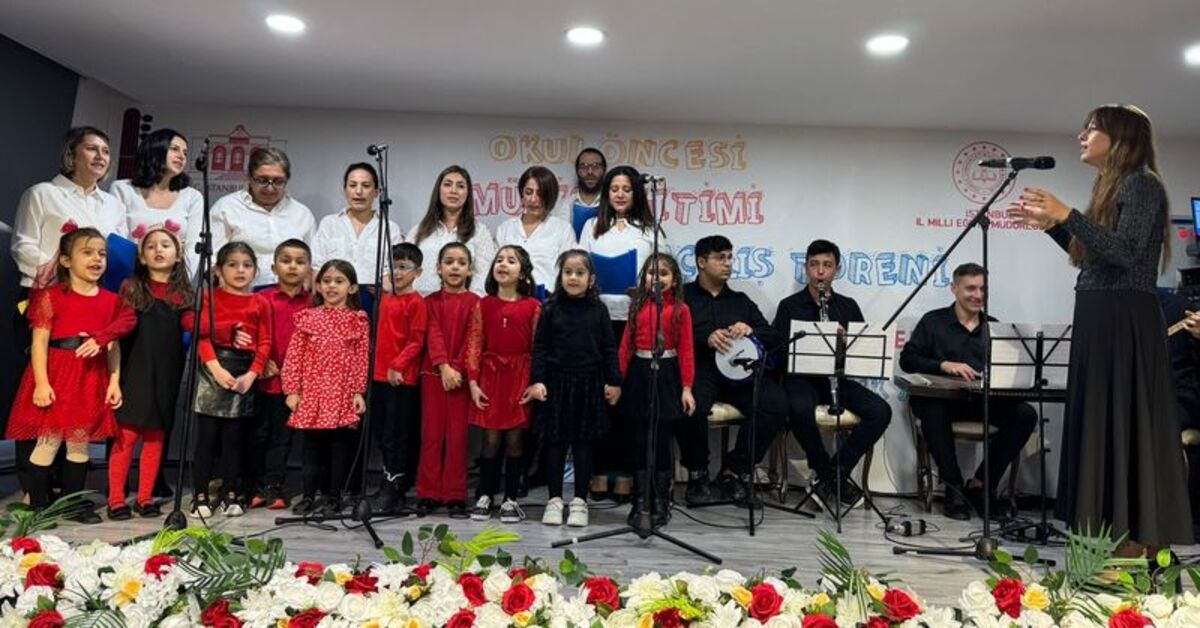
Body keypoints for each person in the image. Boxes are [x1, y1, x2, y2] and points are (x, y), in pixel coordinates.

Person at [1009, 103, 1193, 553]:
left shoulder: (1141, 183)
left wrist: (1067, 214)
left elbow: (1126, 253)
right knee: (1102, 425)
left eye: (1092, 128)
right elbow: (1093, 256)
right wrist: (1053, 226)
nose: (1082, 135)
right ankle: (1110, 540)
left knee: (1122, 425)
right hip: (1101, 313)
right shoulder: (1111, 187)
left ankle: (1134, 544)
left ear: (1121, 137)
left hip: (1123, 317)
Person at [9, 126, 128, 501]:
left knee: (81, 400)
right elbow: (22, 243)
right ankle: (33, 490)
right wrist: (53, 269)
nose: (100, 156)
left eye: (105, 151)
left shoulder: (112, 205)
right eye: (91, 149)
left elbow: (117, 252)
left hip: (91, 306)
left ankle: (68, 491)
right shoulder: (43, 193)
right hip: (46, 300)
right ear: (71, 154)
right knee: (41, 397)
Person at [7, 227, 134, 523]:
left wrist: (114, 381)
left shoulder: (110, 300)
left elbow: (112, 346)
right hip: (58, 375)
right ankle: (38, 505)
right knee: (49, 441)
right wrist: (41, 383)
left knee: (79, 443)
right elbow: (39, 343)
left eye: (101, 254)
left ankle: (72, 503)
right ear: (66, 260)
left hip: (89, 379)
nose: (97, 259)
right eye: (87, 253)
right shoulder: (51, 297)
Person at [898, 262, 1038, 521]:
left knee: (1025, 414)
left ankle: (981, 485)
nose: (978, 295)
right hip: (941, 401)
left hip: (979, 401)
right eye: (970, 288)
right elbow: (908, 360)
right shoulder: (933, 321)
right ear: (954, 289)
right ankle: (953, 488)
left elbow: (1007, 370)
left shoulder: (994, 327)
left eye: (982, 289)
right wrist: (944, 365)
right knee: (932, 411)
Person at [772, 239, 891, 509]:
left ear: (837, 269)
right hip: (801, 379)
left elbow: (863, 352)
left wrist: (846, 342)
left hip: (837, 378)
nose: (820, 271)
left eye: (827, 265)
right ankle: (826, 473)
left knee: (881, 411)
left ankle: (836, 473)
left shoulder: (848, 306)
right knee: (798, 407)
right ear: (806, 268)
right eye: (814, 265)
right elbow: (777, 350)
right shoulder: (789, 305)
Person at [579, 165, 665, 502]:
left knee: (630, 400)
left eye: (626, 189)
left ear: (637, 193)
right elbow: (578, 266)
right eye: (614, 188)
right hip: (598, 321)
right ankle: (600, 470)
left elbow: (665, 271)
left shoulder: (650, 230)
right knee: (600, 399)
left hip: (635, 320)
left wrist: (644, 289)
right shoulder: (591, 227)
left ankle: (627, 473)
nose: (619, 194)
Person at [680, 235, 788, 506]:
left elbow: (772, 336)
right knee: (690, 405)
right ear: (701, 262)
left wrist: (750, 330)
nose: (728, 263)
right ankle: (697, 474)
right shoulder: (683, 297)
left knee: (775, 404)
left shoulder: (741, 301)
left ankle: (734, 472)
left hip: (740, 373)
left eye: (730, 257)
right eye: (720, 258)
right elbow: (668, 335)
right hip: (701, 369)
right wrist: (705, 338)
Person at [525, 250, 622, 527]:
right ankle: (554, 500)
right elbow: (540, 348)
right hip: (556, 383)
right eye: (568, 272)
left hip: (589, 383)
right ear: (560, 276)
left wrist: (614, 381)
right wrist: (537, 380)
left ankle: (580, 501)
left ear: (591, 279)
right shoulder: (550, 308)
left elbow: (609, 347)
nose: (573, 277)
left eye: (580, 273)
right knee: (555, 443)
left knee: (583, 444)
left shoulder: (599, 310)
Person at [108, 225, 193, 520]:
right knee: (126, 437)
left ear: (178, 255)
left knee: (156, 438)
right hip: (135, 369)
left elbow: (193, 325)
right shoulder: (132, 287)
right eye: (151, 246)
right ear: (142, 257)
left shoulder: (184, 294)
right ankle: (116, 499)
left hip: (166, 372)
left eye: (165, 245)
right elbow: (121, 326)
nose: (158, 250)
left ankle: (145, 497)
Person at [184, 241, 272, 518]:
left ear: (255, 271)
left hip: (244, 373)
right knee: (207, 439)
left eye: (247, 265)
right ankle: (200, 494)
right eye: (233, 265)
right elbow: (202, 337)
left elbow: (265, 341)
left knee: (235, 439)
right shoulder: (209, 298)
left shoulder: (260, 302)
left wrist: (252, 375)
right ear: (219, 271)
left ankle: (230, 492)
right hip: (213, 369)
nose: (240, 270)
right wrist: (217, 370)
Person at [282, 260, 370, 517]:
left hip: (342, 391)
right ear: (318, 286)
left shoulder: (357, 320)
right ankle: (309, 495)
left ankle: (334, 496)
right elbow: (294, 355)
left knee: (339, 446)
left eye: (339, 281)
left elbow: (361, 358)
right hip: (313, 391)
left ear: (352, 288)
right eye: (327, 281)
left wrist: (358, 391)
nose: (332, 286)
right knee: (311, 446)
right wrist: (292, 390)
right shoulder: (308, 317)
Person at [618, 253, 696, 527]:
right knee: (639, 438)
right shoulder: (636, 306)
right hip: (639, 374)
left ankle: (661, 499)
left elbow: (686, 350)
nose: (657, 278)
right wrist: (616, 381)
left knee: (661, 440)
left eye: (664, 273)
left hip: (667, 374)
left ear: (674, 280)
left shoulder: (681, 310)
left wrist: (687, 387)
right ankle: (641, 499)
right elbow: (626, 346)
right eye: (652, 273)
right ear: (644, 278)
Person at [466, 245, 541, 523]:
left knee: (514, 439)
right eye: (499, 260)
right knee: (490, 438)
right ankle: (485, 494)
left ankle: (510, 498)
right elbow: (474, 344)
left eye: (511, 261)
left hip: (520, 377)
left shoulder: (533, 307)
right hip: (491, 377)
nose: (503, 264)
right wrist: (473, 382)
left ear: (523, 273)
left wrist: (534, 381)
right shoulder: (483, 304)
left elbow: (538, 347)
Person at [415, 242, 481, 517]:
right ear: (438, 268)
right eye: (449, 262)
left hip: (461, 379)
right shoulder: (429, 302)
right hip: (434, 375)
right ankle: (428, 492)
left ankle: (455, 494)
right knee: (431, 435)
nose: (455, 267)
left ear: (470, 270)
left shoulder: (476, 303)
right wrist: (444, 367)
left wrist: (459, 370)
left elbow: (473, 340)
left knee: (457, 438)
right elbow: (432, 335)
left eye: (461, 263)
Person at [247, 239, 312, 510]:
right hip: (265, 378)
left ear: (309, 269)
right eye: (286, 261)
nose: (293, 266)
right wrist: (260, 362)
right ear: (274, 267)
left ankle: (275, 485)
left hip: (297, 384)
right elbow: (249, 333)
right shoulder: (262, 298)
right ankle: (254, 485)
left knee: (283, 437)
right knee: (259, 433)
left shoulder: (314, 302)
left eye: (300, 262)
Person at [369, 243, 427, 513]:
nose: (397, 272)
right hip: (378, 375)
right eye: (392, 266)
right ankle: (386, 479)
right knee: (381, 432)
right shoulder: (384, 299)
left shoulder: (417, 303)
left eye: (404, 267)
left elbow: (416, 341)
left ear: (418, 272)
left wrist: (398, 365)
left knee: (397, 434)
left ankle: (396, 485)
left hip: (401, 378)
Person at [210, 147, 316, 287]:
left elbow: (313, 263)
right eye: (262, 180)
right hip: (242, 292)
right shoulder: (226, 208)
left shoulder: (302, 214)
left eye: (278, 181)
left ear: (287, 180)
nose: (270, 188)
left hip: (290, 294)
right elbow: (212, 259)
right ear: (249, 177)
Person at [110, 128, 204, 272]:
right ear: (155, 150)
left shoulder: (192, 196)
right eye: (174, 149)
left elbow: (193, 248)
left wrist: (180, 280)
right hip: (128, 276)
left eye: (185, 153)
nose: (181, 156)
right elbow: (117, 241)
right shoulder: (122, 189)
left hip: (174, 279)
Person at [407, 165, 496, 296]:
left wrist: (470, 303)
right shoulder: (419, 231)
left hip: (464, 305)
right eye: (447, 185)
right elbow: (406, 270)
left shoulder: (480, 232)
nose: (453, 191)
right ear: (439, 190)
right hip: (421, 303)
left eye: (460, 186)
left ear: (467, 193)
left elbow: (483, 276)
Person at [311, 162, 403, 283]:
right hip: (334, 293)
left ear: (376, 192)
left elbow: (397, 270)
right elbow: (317, 267)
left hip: (376, 293)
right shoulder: (329, 224)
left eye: (366, 185)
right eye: (353, 185)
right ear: (345, 190)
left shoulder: (389, 228)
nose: (359, 191)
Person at [495, 166, 576, 296]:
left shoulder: (563, 230)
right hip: (510, 300)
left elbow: (568, 272)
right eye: (528, 192)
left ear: (551, 196)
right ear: (522, 194)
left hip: (548, 301)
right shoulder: (506, 229)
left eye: (540, 193)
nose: (533, 199)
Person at [566, 148, 607, 240]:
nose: (590, 172)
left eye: (596, 166)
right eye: (584, 167)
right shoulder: (566, 205)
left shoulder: (613, 205)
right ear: (577, 171)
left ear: (604, 170)